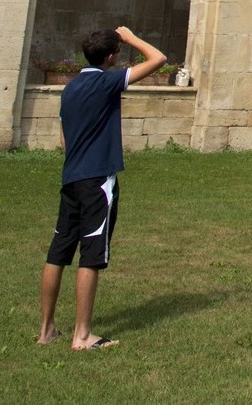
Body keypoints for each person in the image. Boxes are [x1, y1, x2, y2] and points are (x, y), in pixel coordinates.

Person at [36, 25, 166, 350]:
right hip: (98, 181)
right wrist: (131, 38)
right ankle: (82, 336)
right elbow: (158, 59)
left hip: (72, 178)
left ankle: (47, 329)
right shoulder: (106, 81)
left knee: (58, 252)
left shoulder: (70, 89)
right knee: (91, 256)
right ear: (110, 56)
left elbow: (65, 140)